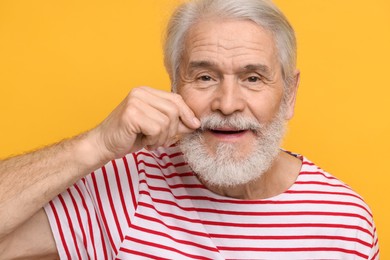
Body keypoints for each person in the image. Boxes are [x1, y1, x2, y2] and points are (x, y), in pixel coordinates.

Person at [0, 0, 380, 259]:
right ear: (174, 88)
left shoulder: (344, 222)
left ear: (290, 93)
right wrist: (93, 145)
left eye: (252, 78)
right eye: (204, 76)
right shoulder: (130, 188)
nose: (227, 103)